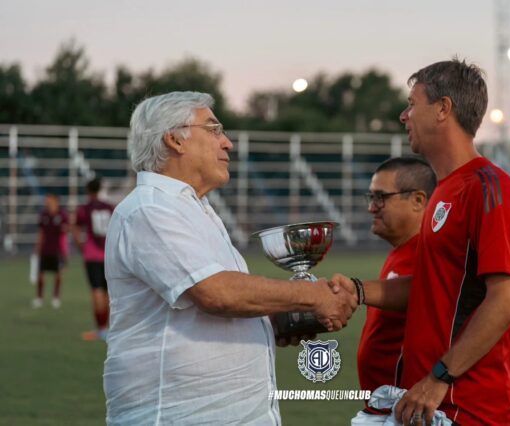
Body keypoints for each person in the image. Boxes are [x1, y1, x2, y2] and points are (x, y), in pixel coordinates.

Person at [103, 91, 357, 425]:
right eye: (214, 130)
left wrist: (272, 322)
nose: (228, 143)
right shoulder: (150, 209)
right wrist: (312, 296)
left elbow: (214, 304)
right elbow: (216, 293)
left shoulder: (193, 208)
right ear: (174, 140)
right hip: (179, 416)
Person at [333, 59, 510, 426]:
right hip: (428, 405)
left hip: (465, 408)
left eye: (412, 104)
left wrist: (439, 376)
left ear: (442, 109)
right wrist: (356, 291)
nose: (404, 115)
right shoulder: (445, 190)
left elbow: (506, 300)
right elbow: (430, 289)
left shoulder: (489, 187)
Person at [353, 157, 435, 423]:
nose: (371, 208)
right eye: (370, 198)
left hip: (405, 411)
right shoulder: (402, 252)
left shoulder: (429, 256)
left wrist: (350, 292)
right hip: (386, 409)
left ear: (418, 201)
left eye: (380, 198)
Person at [71, 177, 114, 341]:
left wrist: (81, 246)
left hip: (92, 255)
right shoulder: (109, 207)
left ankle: (101, 329)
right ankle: (108, 328)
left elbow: (75, 228)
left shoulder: (84, 209)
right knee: (108, 292)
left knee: (96, 291)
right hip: (109, 255)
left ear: (88, 191)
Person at [33, 193, 69, 309]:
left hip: (57, 251)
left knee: (58, 275)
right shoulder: (43, 214)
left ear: (55, 201)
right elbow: (41, 233)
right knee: (40, 275)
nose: (47, 202)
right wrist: (37, 247)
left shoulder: (62, 215)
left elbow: (65, 233)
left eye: (49, 200)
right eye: (46, 201)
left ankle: (55, 298)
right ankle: (39, 297)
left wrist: (65, 252)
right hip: (45, 249)